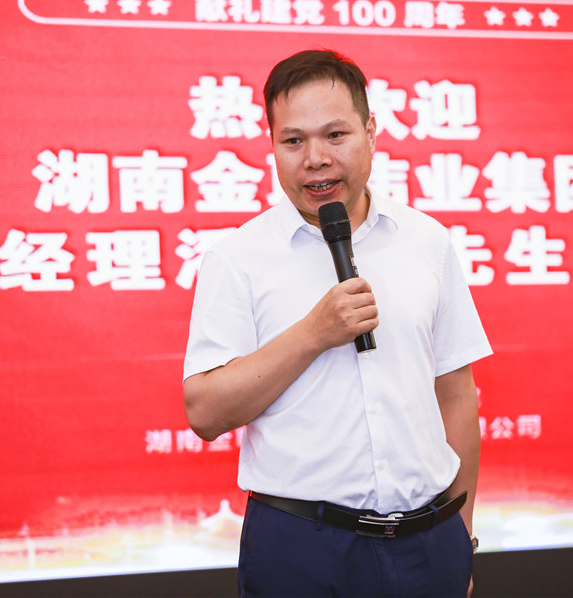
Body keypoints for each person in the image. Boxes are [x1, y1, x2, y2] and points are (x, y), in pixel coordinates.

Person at [183, 49, 492, 597]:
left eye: (335, 135)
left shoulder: (426, 241)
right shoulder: (237, 258)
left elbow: (455, 394)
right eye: (293, 141)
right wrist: (313, 334)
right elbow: (205, 412)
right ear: (272, 145)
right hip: (302, 548)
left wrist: (459, 537)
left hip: (430, 543)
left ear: (370, 132)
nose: (316, 159)